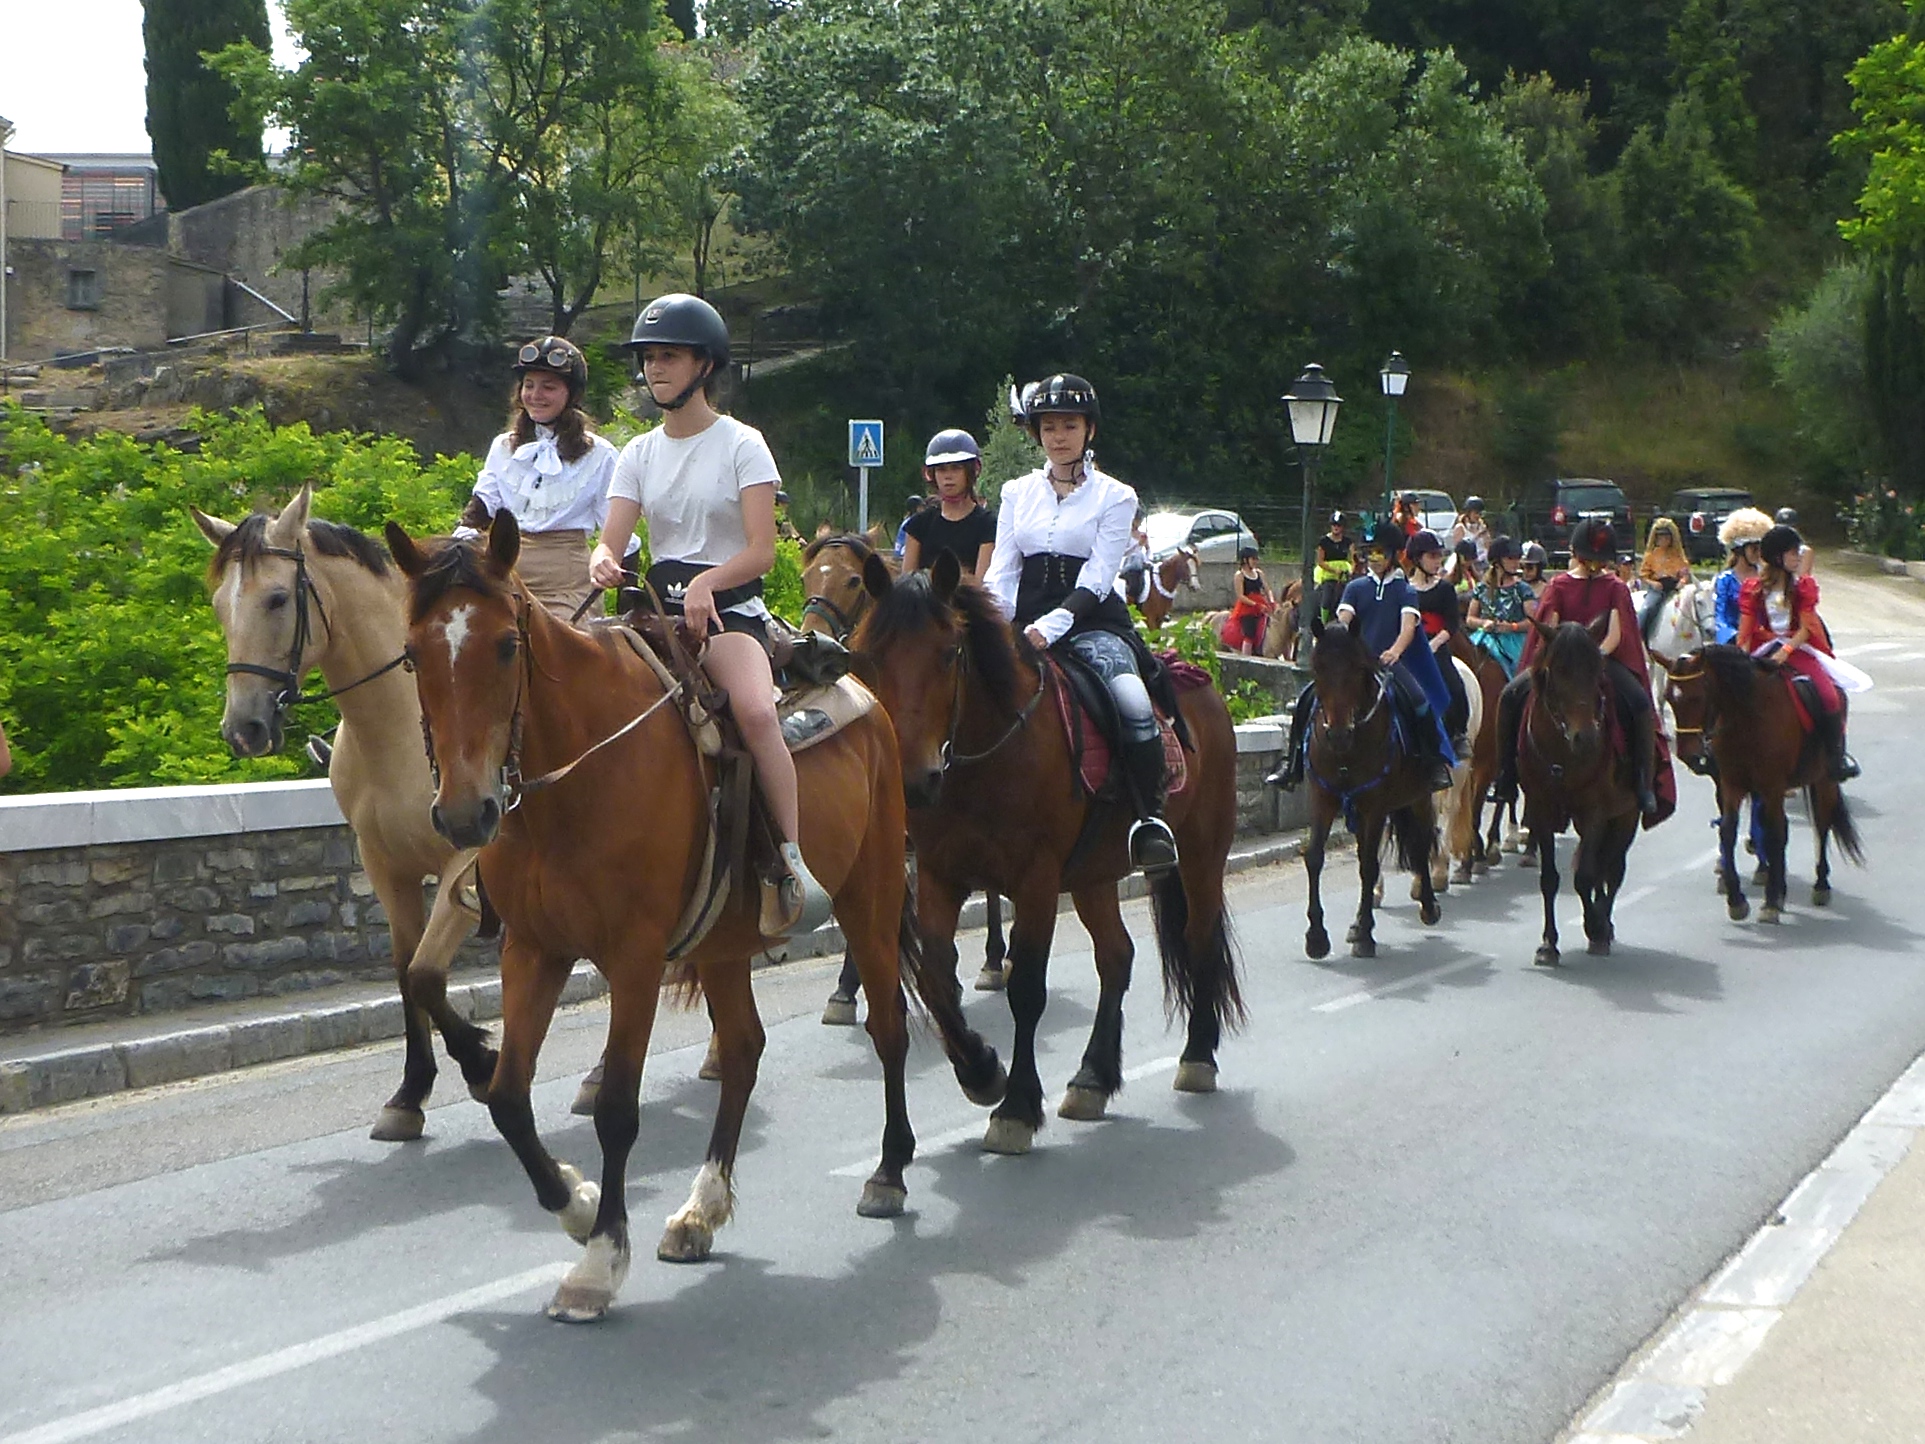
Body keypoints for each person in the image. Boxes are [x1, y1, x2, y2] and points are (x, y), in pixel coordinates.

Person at [589, 292, 832, 938]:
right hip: (652, 618)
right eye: (648, 358)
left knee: (755, 712)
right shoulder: (637, 453)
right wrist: (602, 561)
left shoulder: (743, 445)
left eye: (668, 356)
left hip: (729, 616)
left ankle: (791, 863)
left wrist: (708, 582)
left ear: (705, 364)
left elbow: (761, 550)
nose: (654, 369)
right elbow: (611, 540)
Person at [981, 373, 1179, 873]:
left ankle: (1148, 820)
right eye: (1048, 427)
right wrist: (990, 625)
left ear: (1089, 429)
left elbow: (1097, 578)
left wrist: (1048, 629)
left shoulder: (1116, 496)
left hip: (1093, 624)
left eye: (1069, 425)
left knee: (1132, 699)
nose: (1058, 437)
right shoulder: (1016, 492)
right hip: (1023, 622)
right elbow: (1003, 571)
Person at [1489, 519, 1663, 822]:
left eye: (1599, 560)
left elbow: (1616, 632)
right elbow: (1552, 624)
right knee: (1510, 696)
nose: (1594, 565)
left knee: (1639, 703)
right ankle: (1506, 774)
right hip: (1562, 662)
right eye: (1589, 558)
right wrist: (1563, 655)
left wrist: (1595, 656)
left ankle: (1642, 780)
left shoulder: (1616, 588)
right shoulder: (1559, 585)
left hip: (1601, 661)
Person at [1266, 524, 1455, 795]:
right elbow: (1344, 619)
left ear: (1394, 555)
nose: (1373, 558)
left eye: (1379, 552)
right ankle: (1293, 764)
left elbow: (1408, 628)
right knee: (1306, 700)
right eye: (1369, 553)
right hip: (1356, 664)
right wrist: (1333, 639)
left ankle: (1432, 763)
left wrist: (1395, 651)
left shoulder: (1404, 590)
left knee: (1419, 702)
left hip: (1390, 663)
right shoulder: (1356, 587)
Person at [455, 335, 620, 621]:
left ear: (571, 394)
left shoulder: (600, 454)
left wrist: (629, 595)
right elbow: (482, 507)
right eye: (529, 385)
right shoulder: (503, 447)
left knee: (561, 644)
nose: (535, 395)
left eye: (549, 387)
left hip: (567, 586)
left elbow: (618, 530)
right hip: (505, 579)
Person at [1738, 525, 1866, 781]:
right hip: (1765, 647)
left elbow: (1807, 627)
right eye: (1794, 552)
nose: (1799, 556)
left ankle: (1835, 756)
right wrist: (1742, 658)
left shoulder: (1802, 587)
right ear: (1778, 557)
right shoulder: (1754, 588)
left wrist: (1786, 650)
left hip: (1796, 647)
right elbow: (1746, 630)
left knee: (1830, 696)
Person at [1406, 530, 1472, 753]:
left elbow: (1452, 624)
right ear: (1418, 558)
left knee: (1455, 686)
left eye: (1439, 556)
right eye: (1432, 556)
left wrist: (1434, 644)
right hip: (1409, 645)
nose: (1438, 561)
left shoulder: (1445, 589)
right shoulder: (1404, 588)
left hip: (1436, 645)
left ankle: (1459, 733)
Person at [901, 430, 997, 580]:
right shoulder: (919, 524)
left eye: (956, 468)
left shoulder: (988, 524)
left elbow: (981, 584)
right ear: (931, 474)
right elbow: (907, 581)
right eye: (941, 469)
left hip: (969, 595)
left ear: (973, 470)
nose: (948, 476)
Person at [1466, 536, 1535, 678]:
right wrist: (1483, 623)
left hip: (1514, 641)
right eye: (1511, 558)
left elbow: (1533, 622)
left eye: (1517, 558)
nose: (1516, 562)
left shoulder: (1522, 589)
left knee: (1522, 670)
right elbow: (1470, 619)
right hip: (1484, 637)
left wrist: (1512, 626)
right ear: (1497, 562)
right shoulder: (1481, 588)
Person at [1712, 507, 1771, 643]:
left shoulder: (1767, 576)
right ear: (1739, 550)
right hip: (1733, 640)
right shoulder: (1725, 580)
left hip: (1764, 640)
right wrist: (1732, 638)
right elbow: (1720, 615)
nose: (1758, 553)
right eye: (1754, 548)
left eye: (1761, 548)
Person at [1227, 546, 1275, 655]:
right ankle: (1246, 657)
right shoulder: (1239, 575)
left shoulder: (1259, 573)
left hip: (1261, 604)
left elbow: (1267, 589)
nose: (1256, 561)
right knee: (1250, 632)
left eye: (1256, 559)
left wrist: (1271, 601)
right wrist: (1256, 605)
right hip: (1247, 608)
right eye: (1253, 559)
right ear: (1245, 560)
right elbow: (1241, 596)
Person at [1313, 511, 1354, 622]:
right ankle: (1323, 621)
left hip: (1344, 575)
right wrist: (1334, 570)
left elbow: (1353, 559)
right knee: (1327, 599)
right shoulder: (1324, 542)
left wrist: (1351, 570)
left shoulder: (1348, 542)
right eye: (1334, 525)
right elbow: (1320, 561)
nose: (1336, 527)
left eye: (1339, 525)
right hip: (1328, 575)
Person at [1639, 516, 1693, 593]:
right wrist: (1653, 583)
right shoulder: (1650, 555)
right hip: (1657, 587)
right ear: (1656, 539)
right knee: (1651, 601)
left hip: (1675, 586)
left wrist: (1682, 581)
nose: (1663, 540)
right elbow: (1643, 576)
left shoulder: (1678, 554)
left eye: (1666, 537)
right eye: (1660, 538)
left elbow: (1685, 572)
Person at [1118, 510, 1151, 607]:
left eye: (1140, 521)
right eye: (1138, 521)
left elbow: (1148, 550)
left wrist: (1148, 559)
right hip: (1129, 561)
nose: (1139, 523)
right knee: (1134, 577)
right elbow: (1124, 552)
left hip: (1141, 560)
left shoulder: (1142, 534)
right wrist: (1138, 544)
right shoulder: (1126, 534)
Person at [1448, 496, 1492, 561]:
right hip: (1467, 561)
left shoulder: (1482, 527)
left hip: (1483, 560)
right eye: (1475, 513)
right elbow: (1459, 550)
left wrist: (1486, 538)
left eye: (1480, 513)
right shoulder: (1460, 528)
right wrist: (1478, 535)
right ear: (1468, 513)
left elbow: (1488, 547)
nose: (1478, 516)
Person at [894, 493, 928, 558]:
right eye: (920, 507)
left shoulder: (908, 520)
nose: (923, 510)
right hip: (903, 554)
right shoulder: (913, 522)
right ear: (914, 508)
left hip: (900, 552)